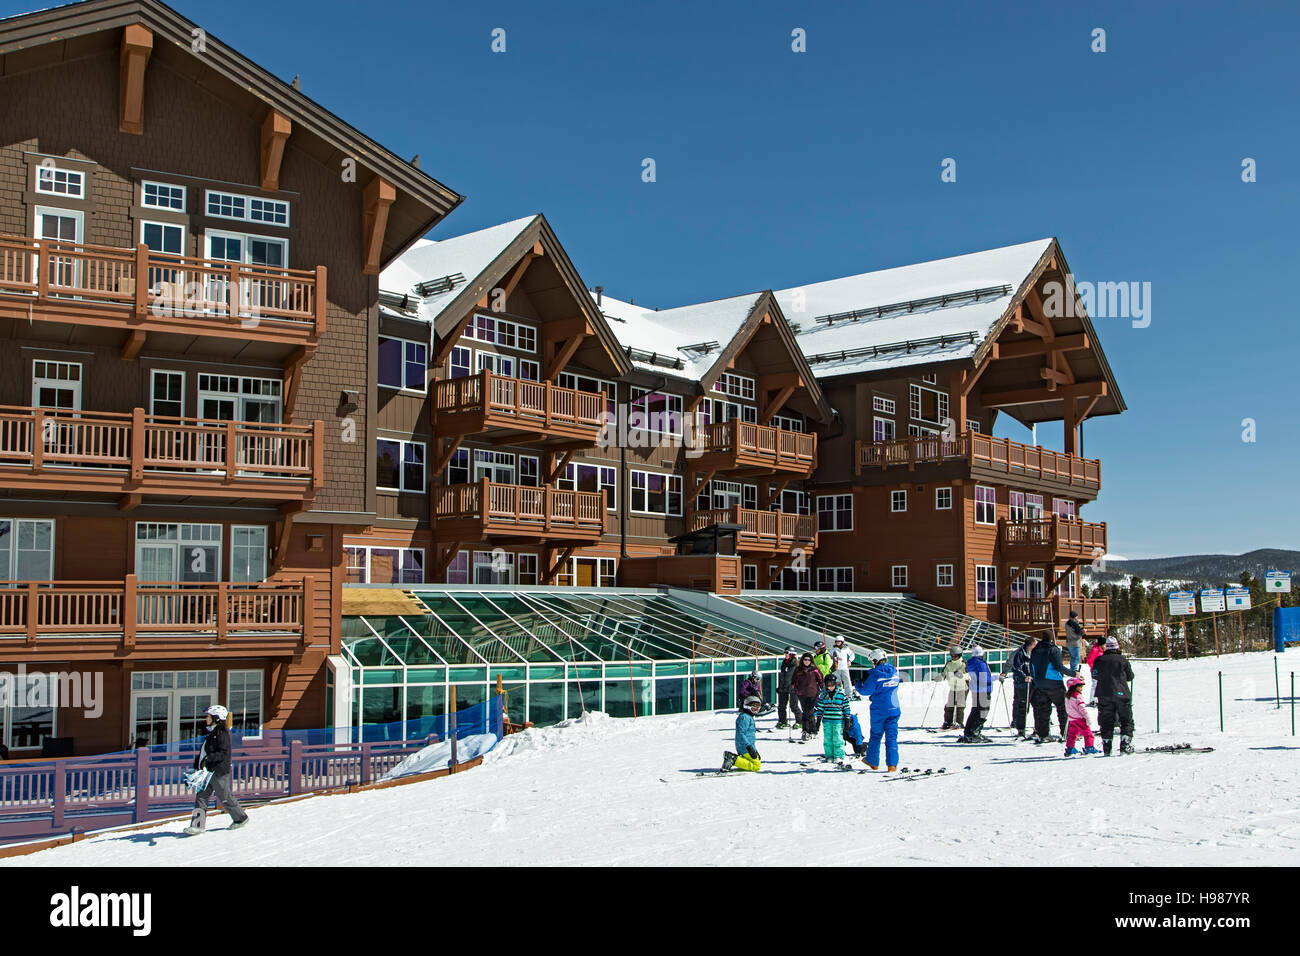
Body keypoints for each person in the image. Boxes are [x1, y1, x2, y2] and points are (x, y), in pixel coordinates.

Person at [183, 704, 248, 835]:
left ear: (216, 718)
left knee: (224, 796)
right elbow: (204, 752)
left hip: (218, 772)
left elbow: (223, 753)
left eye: (208, 716)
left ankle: (240, 818)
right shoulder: (212, 732)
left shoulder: (221, 733)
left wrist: (208, 759)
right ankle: (197, 825)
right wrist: (198, 764)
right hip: (207, 772)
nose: (206, 718)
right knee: (201, 797)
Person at [1029, 630, 1076, 743]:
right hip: (1054, 683)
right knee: (1062, 708)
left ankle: (1043, 734)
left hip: (1039, 683)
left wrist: (1035, 679)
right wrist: (1074, 673)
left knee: (1043, 710)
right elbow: (1059, 667)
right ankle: (1066, 733)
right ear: (1051, 638)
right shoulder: (1053, 649)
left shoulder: (1035, 650)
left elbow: (1031, 665)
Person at [1092, 636, 1136, 756]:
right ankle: (1125, 744)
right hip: (1122, 694)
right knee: (1126, 720)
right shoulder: (1122, 660)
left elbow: (1094, 675)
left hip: (1104, 694)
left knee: (1106, 721)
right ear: (1117, 647)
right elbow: (1130, 676)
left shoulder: (1099, 660)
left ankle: (1107, 746)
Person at [860, 648, 901, 771]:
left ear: (875, 660)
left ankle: (872, 761)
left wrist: (858, 684)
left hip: (879, 710)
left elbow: (865, 691)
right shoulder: (894, 671)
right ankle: (892, 765)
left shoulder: (875, 674)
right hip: (894, 708)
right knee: (892, 738)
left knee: (876, 735)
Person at [1001, 633, 1037, 738]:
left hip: (1032, 683)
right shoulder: (1019, 653)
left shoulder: (1034, 653)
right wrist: (1004, 672)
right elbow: (1013, 665)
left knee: (1036, 703)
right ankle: (1017, 722)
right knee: (1020, 702)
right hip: (1021, 683)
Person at [814, 673, 852, 763]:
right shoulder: (823, 695)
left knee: (837, 738)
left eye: (832, 685)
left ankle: (838, 755)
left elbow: (846, 708)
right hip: (827, 721)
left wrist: (847, 720)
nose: (830, 687)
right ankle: (829, 755)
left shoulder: (841, 695)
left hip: (838, 721)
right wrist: (818, 721)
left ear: (836, 684)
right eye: (828, 685)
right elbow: (820, 708)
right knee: (828, 739)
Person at [959, 646, 994, 743]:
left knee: (975, 710)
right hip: (983, 689)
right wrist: (991, 682)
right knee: (982, 711)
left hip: (976, 689)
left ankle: (969, 731)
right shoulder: (980, 663)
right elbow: (984, 677)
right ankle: (974, 731)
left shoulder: (971, 662)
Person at [723, 696, 763, 771]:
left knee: (754, 762)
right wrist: (749, 747)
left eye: (758, 708)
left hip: (747, 746)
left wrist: (755, 750)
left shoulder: (748, 717)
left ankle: (737, 760)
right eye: (754, 707)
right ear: (747, 706)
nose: (756, 710)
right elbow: (741, 733)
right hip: (744, 746)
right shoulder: (745, 717)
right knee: (756, 766)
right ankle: (733, 759)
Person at [792, 652, 823, 741]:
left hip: (813, 693)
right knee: (806, 711)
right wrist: (793, 687)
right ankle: (811, 730)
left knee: (808, 712)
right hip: (802, 693)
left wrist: (823, 688)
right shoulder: (798, 670)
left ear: (811, 661)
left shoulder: (814, 670)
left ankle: (808, 730)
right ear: (802, 660)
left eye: (808, 660)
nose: (807, 661)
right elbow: (793, 680)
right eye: (805, 660)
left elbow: (821, 680)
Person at [1063, 677, 1098, 756]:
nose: (1081, 688)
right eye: (1080, 686)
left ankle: (1070, 748)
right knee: (1088, 734)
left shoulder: (1068, 696)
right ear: (1074, 687)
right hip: (1079, 719)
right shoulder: (1077, 696)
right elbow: (1081, 708)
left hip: (1072, 719)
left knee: (1072, 734)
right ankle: (1089, 747)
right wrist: (1087, 717)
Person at [938, 647, 968, 729]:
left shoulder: (963, 664)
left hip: (962, 687)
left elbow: (969, 675)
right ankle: (948, 722)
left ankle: (959, 722)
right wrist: (940, 677)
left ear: (959, 655)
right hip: (953, 686)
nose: (953, 658)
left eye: (955, 656)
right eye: (951, 656)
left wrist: (961, 675)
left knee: (960, 705)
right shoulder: (949, 664)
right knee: (949, 705)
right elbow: (944, 672)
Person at [776, 647, 801, 729]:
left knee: (793, 706)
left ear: (791, 654)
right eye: (785, 653)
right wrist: (779, 687)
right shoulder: (784, 662)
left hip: (792, 687)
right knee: (781, 706)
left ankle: (800, 721)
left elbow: (794, 676)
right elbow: (782, 675)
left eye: (787, 653)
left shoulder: (795, 663)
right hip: (783, 687)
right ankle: (782, 721)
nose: (785, 655)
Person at [831, 635, 857, 700]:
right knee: (837, 681)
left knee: (847, 681)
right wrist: (835, 658)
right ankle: (839, 693)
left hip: (844, 667)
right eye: (836, 641)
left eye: (839, 641)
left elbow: (852, 655)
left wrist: (850, 661)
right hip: (836, 668)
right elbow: (829, 656)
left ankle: (849, 694)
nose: (837, 643)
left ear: (842, 642)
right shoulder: (833, 649)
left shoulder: (846, 649)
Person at [1084, 636, 1106, 706]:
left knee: (1101, 685)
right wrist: (1094, 668)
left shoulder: (1102, 650)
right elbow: (1089, 660)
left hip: (1102, 670)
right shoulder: (1095, 650)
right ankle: (1092, 700)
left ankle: (1099, 700)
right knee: (1095, 685)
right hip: (1095, 670)